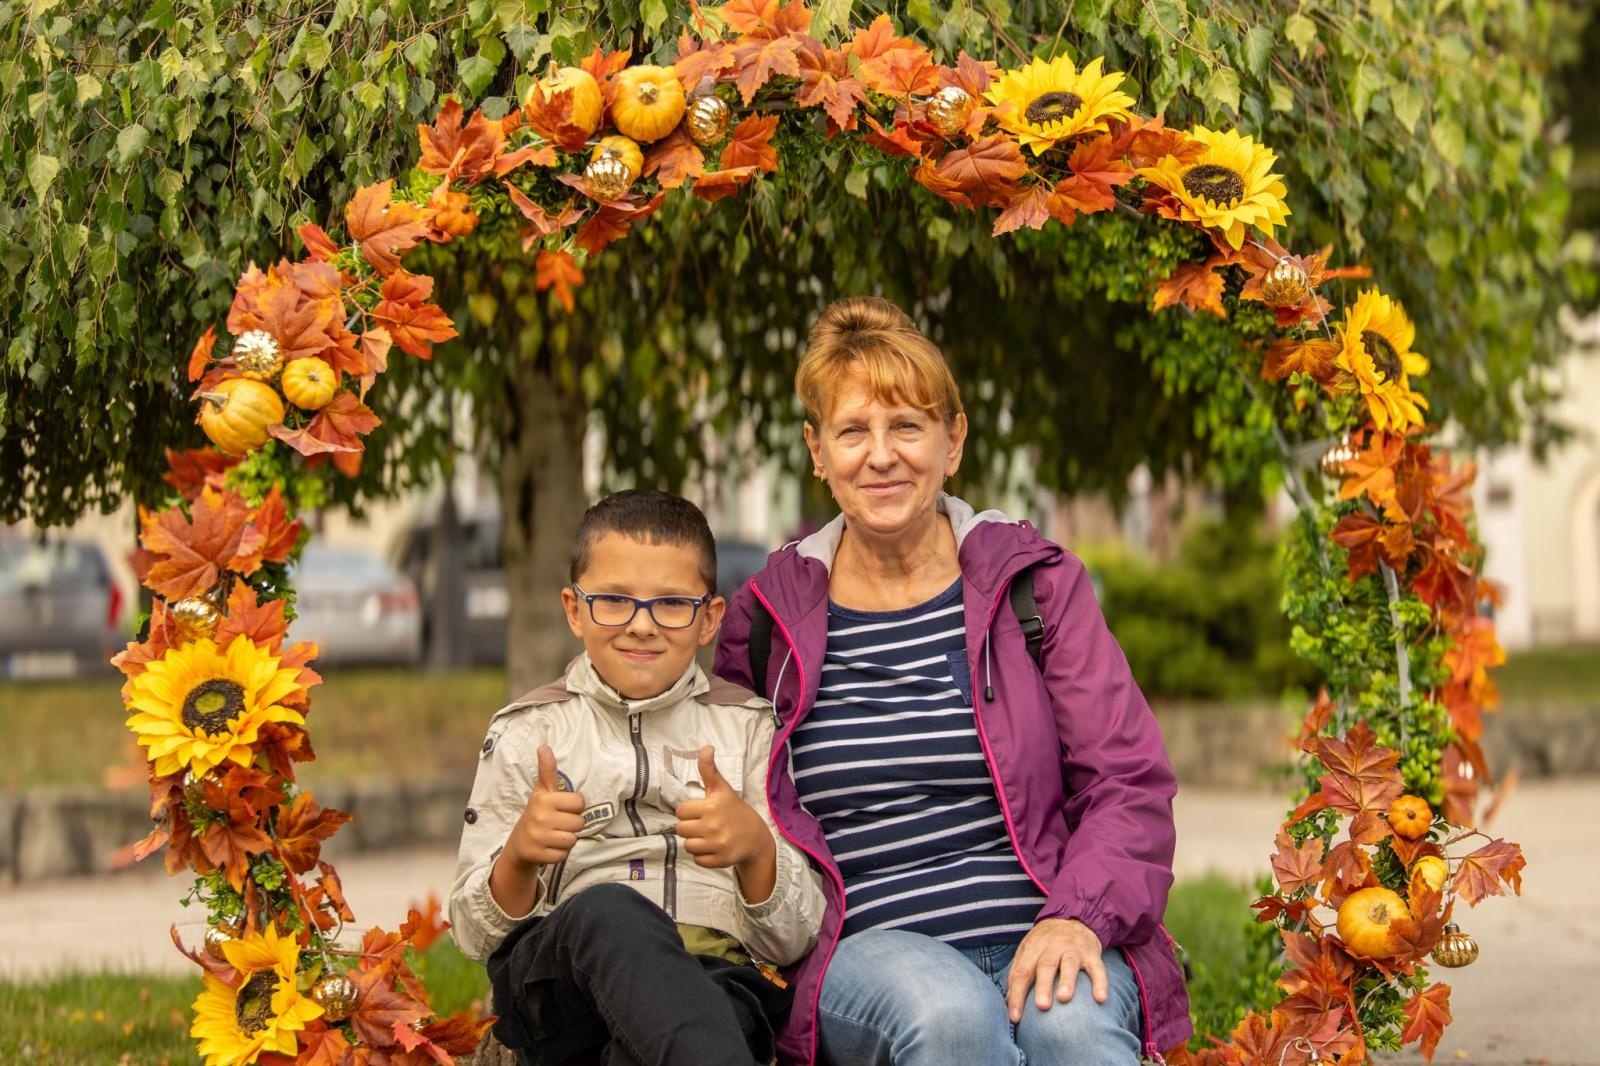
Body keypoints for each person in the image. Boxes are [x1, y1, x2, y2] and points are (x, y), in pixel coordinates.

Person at [714, 296, 1192, 1066]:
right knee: (953, 1018)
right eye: (852, 431)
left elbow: (1127, 781)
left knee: (1071, 1026)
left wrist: (1078, 919)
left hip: (1048, 921)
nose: (881, 455)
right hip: (867, 950)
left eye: (907, 427)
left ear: (953, 440)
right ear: (816, 451)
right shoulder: (768, 617)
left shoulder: (1034, 586)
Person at [449, 489, 827, 1066]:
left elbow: (795, 936)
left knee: (653, 1043)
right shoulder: (529, 733)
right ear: (574, 610)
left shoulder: (749, 732)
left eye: (672, 603)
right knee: (612, 910)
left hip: (714, 974)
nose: (642, 625)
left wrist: (755, 851)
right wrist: (519, 859)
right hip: (564, 983)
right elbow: (474, 937)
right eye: (614, 600)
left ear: (710, 620)